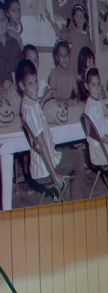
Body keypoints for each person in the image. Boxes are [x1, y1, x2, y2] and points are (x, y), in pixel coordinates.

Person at [16, 58, 74, 195]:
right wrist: (55, 176)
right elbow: (42, 145)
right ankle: (76, 201)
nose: (36, 86)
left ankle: (62, 198)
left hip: (39, 167)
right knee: (77, 158)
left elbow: (36, 111)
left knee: (66, 154)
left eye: (36, 81)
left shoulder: (28, 104)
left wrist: (45, 98)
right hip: (45, 170)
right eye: (30, 84)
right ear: (22, 86)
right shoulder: (31, 110)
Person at [0, 0, 24, 85]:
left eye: (2, 20)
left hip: (15, 89)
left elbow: (22, 69)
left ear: (7, 19)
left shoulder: (14, 43)